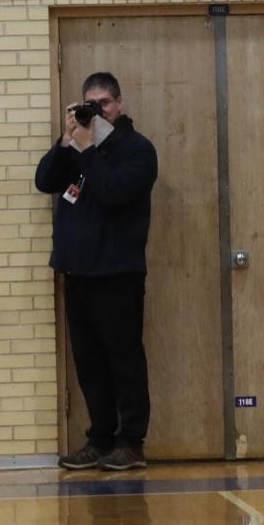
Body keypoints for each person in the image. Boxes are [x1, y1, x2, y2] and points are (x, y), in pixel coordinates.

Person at [33, 72, 159, 472]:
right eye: (89, 104)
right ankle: (100, 439)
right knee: (89, 363)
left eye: (103, 104)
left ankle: (131, 442)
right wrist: (67, 140)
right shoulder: (78, 147)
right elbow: (44, 181)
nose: (96, 111)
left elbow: (112, 192)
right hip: (79, 273)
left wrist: (88, 149)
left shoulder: (137, 150)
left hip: (117, 274)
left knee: (124, 360)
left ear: (119, 105)